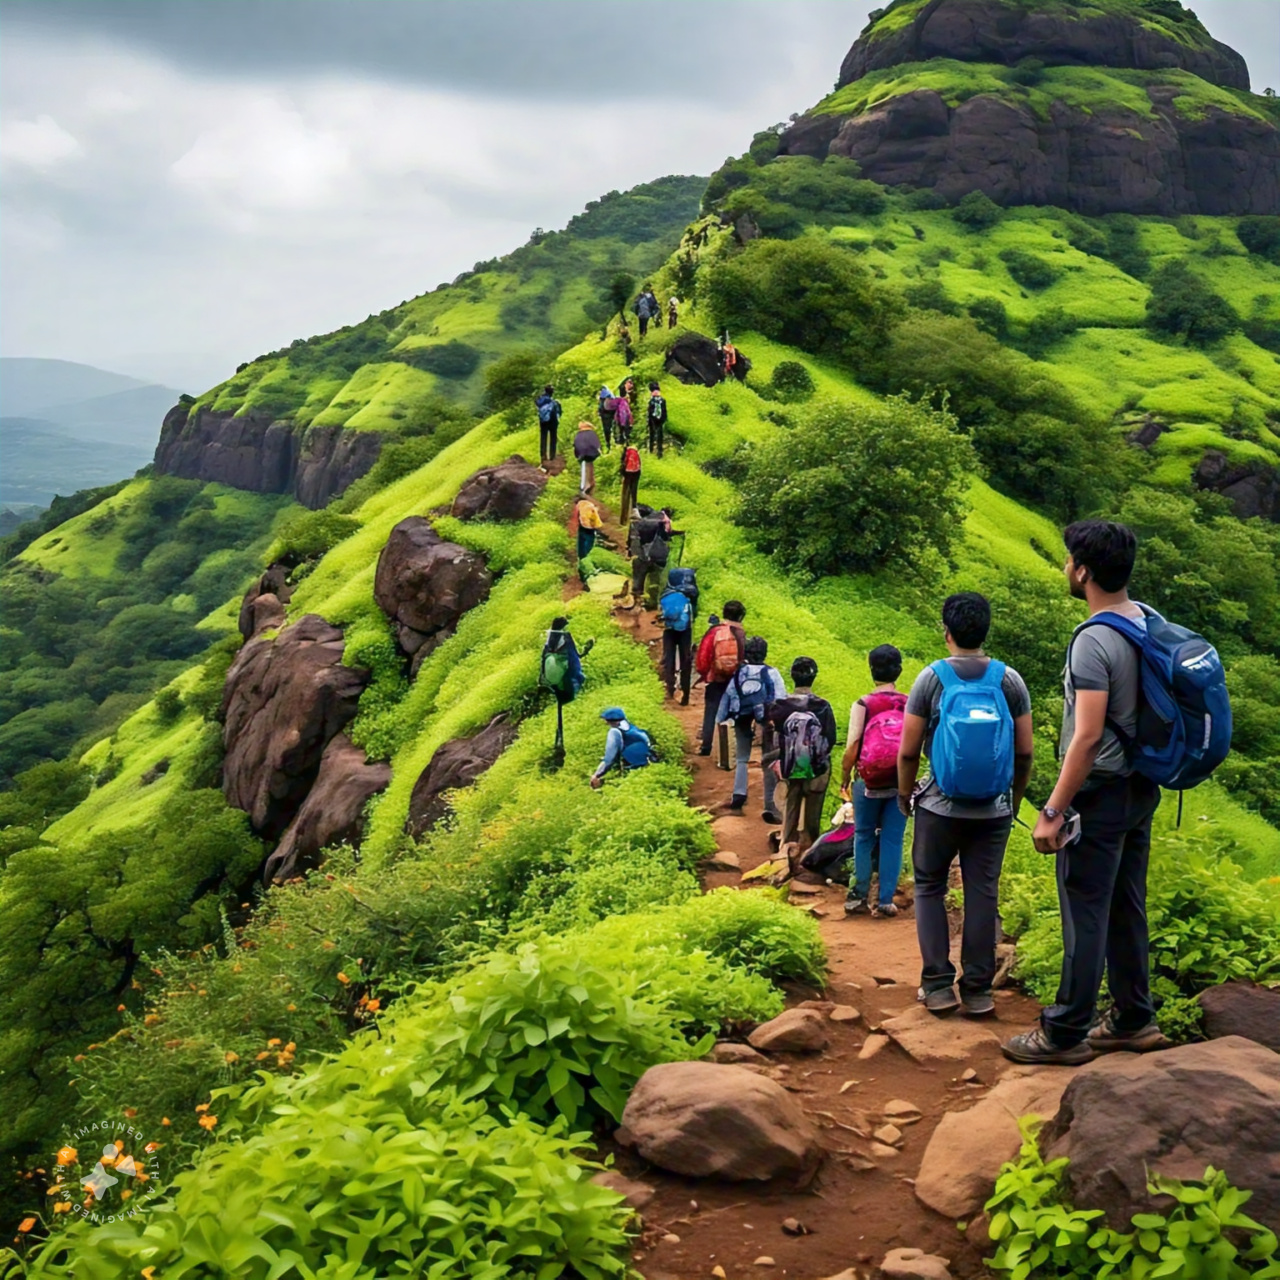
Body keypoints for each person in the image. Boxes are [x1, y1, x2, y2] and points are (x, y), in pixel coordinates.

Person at [1003, 521, 1166, 1065]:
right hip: (1140, 787)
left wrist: (1053, 809)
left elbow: (1088, 735)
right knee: (1126, 905)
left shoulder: (1094, 639)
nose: (1066, 566)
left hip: (1099, 793)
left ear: (1084, 571)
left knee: (1086, 911)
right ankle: (1132, 1018)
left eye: (1070, 559)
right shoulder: (1146, 621)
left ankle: (1065, 1031)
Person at [897, 593, 1034, 1017]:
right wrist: (1012, 800)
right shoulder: (1009, 681)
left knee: (929, 887)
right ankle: (977, 990)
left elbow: (908, 750)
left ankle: (937, 985)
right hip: (992, 811)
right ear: (985, 631)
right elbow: (1025, 752)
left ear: (947, 632)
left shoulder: (931, 679)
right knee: (982, 894)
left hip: (939, 807)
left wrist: (905, 794)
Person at [841, 644, 909, 918]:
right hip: (900, 780)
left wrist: (845, 779)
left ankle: (858, 897)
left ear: (871, 670)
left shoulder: (863, 703)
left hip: (867, 781)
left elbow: (853, 746)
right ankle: (885, 900)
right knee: (893, 838)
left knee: (863, 835)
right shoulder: (909, 703)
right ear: (899, 670)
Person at [762, 657, 839, 847]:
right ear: (814, 677)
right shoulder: (822, 706)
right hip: (817, 768)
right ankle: (810, 848)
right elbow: (831, 738)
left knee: (790, 808)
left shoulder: (781, 705)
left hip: (790, 767)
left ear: (792, 676)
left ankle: (786, 846)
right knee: (813, 812)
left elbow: (774, 738)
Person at [719, 636, 787, 812]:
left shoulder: (739, 672)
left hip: (741, 716)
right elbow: (781, 699)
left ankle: (739, 793)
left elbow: (729, 694)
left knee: (742, 758)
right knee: (769, 758)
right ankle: (770, 804)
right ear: (764, 653)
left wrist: (722, 719)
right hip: (766, 718)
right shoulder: (772, 673)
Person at [695, 601, 746, 755]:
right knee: (732, 714)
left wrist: (705, 674)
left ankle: (706, 747)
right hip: (735, 679)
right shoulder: (741, 633)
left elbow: (703, 656)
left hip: (715, 677)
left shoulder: (714, 631)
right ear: (741, 616)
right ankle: (729, 753)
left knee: (711, 712)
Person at [658, 568, 699, 705]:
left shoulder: (667, 592)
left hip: (669, 629)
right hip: (686, 630)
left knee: (668, 658)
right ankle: (685, 694)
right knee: (685, 659)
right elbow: (695, 610)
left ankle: (670, 688)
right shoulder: (691, 592)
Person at [590, 707, 655, 787]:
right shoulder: (631, 728)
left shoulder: (614, 732)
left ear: (608, 721)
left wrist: (596, 775)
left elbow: (609, 759)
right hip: (649, 761)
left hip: (633, 767)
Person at [575, 493, 603, 583]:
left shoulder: (578, 506)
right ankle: (588, 569)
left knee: (581, 548)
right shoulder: (590, 506)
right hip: (589, 528)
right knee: (588, 547)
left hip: (581, 528)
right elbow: (595, 518)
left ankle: (582, 568)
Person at [534, 384, 562, 468]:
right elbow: (559, 412)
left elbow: (537, 403)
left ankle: (543, 456)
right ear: (552, 392)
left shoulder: (541, 400)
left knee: (543, 437)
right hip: (553, 421)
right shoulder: (554, 402)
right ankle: (552, 457)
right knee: (553, 438)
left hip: (543, 421)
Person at [573, 422, 602, 494]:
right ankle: (590, 482)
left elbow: (576, 445)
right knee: (590, 465)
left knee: (584, 467)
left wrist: (577, 455)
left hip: (581, 454)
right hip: (591, 453)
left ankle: (583, 485)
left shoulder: (578, 435)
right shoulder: (592, 434)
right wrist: (599, 452)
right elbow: (596, 444)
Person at [619, 443, 642, 527]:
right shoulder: (636, 453)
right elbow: (639, 467)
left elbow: (623, 465)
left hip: (627, 472)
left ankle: (623, 520)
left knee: (625, 494)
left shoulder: (626, 452)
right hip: (636, 472)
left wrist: (622, 474)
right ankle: (634, 509)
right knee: (634, 491)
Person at [647, 382, 668, 458]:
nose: (656, 392)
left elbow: (664, 410)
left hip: (660, 420)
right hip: (652, 420)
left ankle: (660, 452)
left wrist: (664, 418)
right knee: (652, 435)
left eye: (657, 391)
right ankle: (651, 449)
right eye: (654, 391)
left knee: (660, 436)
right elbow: (649, 411)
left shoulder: (662, 400)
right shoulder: (651, 401)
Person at [597, 386, 617, 451]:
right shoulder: (611, 395)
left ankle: (608, 444)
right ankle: (614, 443)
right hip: (612, 415)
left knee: (607, 430)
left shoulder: (603, 397)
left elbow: (601, 407)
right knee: (613, 429)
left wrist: (600, 413)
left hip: (605, 416)